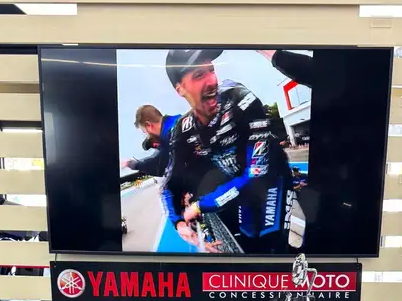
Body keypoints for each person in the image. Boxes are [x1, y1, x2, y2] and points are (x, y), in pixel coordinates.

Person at [160, 49, 296, 254]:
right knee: (249, 241)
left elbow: (256, 175)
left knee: (273, 245)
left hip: (271, 179)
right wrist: (179, 223)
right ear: (180, 89)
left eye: (211, 70)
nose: (212, 81)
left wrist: (199, 206)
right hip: (241, 186)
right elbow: (169, 185)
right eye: (199, 75)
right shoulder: (183, 129)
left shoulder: (240, 99)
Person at [122, 105, 180, 178]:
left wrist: (131, 164)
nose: (147, 136)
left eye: (144, 132)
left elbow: (159, 168)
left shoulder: (169, 135)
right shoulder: (178, 119)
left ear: (148, 125)